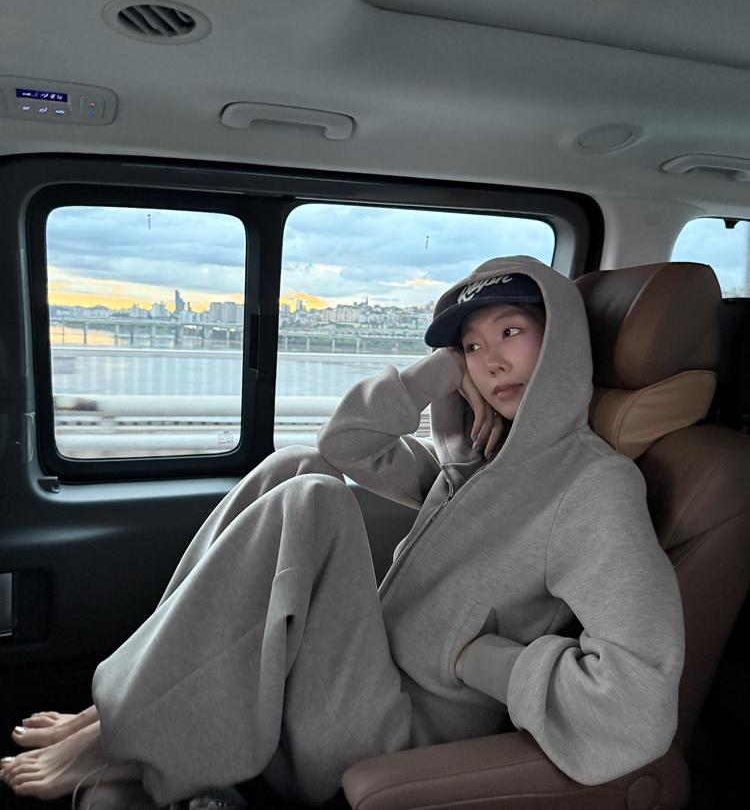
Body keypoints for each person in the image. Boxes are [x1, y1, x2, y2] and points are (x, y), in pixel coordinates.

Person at [1, 255, 685, 808]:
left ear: (561, 342)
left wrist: (474, 659)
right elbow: (346, 443)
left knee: (316, 502)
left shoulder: (592, 486)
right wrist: (441, 371)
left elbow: (637, 702)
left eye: (512, 332)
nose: (491, 361)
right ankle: (126, 709)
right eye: (473, 345)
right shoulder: (475, 457)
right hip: (362, 675)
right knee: (294, 467)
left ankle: (126, 736)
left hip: (400, 731)